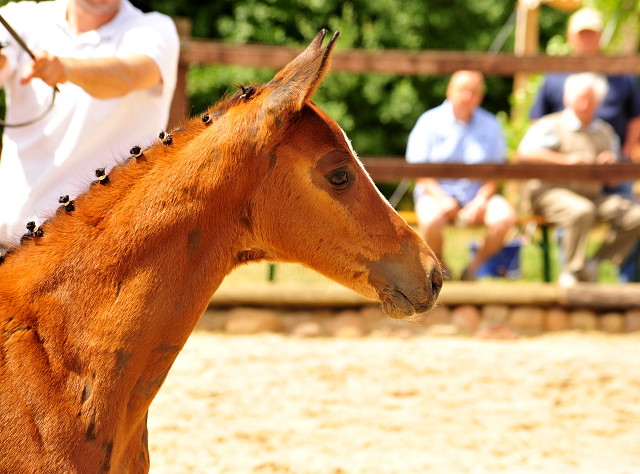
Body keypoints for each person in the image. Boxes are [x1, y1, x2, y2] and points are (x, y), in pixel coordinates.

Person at [0, 0, 180, 248]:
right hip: (9, 244)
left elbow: (128, 74)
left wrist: (66, 69)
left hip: (96, 250)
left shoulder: (153, 29)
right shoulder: (20, 18)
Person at [516, 72, 640, 287]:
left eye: (590, 99)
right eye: (580, 98)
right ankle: (571, 272)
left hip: (592, 195)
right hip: (549, 194)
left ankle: (593, 264)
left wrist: (610, 166)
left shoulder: (605, 131)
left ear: (598, 103)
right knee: (581, 210)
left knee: (635, 215)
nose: (584, 104)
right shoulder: (551, 124)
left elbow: (613, 183)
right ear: (567, 99)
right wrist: (565, 160)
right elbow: (524, 153)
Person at [406, 70, 517, 280]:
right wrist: (442, 199)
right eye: (463, 89)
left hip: (478, 195)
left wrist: (481, 201)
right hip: (436, 194)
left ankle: (473, 269)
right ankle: (443, 271)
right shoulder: (428, 122)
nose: (467, 96)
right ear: (450, 91)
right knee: (430, 221)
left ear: (480, 96)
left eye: (473, 91)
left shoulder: (491, 125)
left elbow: (496, 173)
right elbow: (418, 171)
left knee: (505, 217)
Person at [530, 7, 640, 192]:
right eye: (582, 34)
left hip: (610, 164)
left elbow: (636, 117)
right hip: (567, 167)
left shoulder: (621, 73)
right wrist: (556, 160)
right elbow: (538, 119)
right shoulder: (554, 75)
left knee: (629, 211)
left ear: (601, 36)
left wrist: (624, 153)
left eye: (592, 34)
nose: (587, 39)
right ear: (569, 37)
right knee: (573, 211)